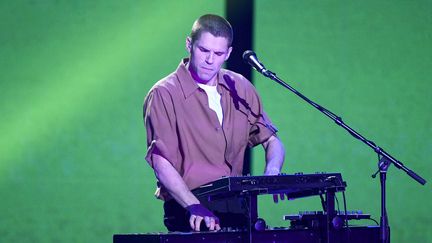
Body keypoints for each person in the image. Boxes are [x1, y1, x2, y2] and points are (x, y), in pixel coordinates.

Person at [143, 14, 285, 232]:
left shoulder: (240, 87)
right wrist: (193, 206)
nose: (210, 60)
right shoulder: (164, 93)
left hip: (237, 208)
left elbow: (271, 140)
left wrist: (273, 171)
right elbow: (161, 161)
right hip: (188, 208)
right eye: (203, 50)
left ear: (228, 53)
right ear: (189, 44)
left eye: (218, 53)